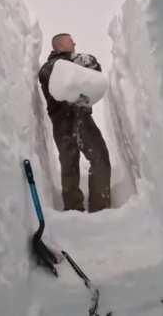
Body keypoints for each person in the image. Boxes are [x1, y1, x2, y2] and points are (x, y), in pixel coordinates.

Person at [38, 33, 111, 213]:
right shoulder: (52, 67)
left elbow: (95, 74)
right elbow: (61, 78)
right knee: (97, 158)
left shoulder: (59, 66)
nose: (75, 43)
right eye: (71, 41)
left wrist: (88, 62)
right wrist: (80, 63)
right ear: (60, 45)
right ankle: (95, 208)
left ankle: (76, 209)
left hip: (62, 124)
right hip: (76, 119)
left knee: (70, 165)